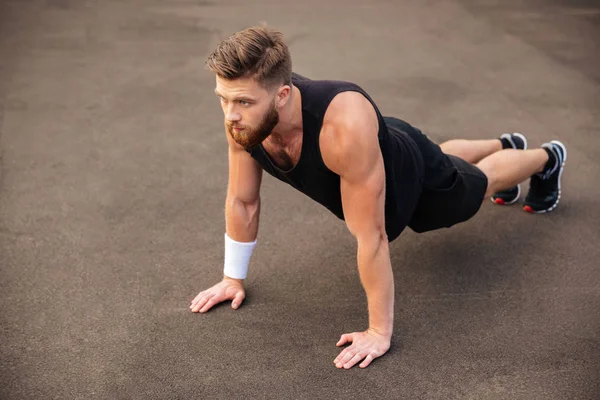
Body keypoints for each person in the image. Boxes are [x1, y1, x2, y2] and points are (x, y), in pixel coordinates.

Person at [189, 26, 567, 369]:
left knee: (477, 185)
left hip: (402, 169)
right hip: (388, 149)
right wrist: (231, 279)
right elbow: (244, 200)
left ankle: (547, 158)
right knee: (441, 158)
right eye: (223, 99)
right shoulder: (247, 117)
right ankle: (504, 144)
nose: (230, 114)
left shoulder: (341, 129)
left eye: (241, 103)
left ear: (282, 95)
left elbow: (372, 236)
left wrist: (378, 331)